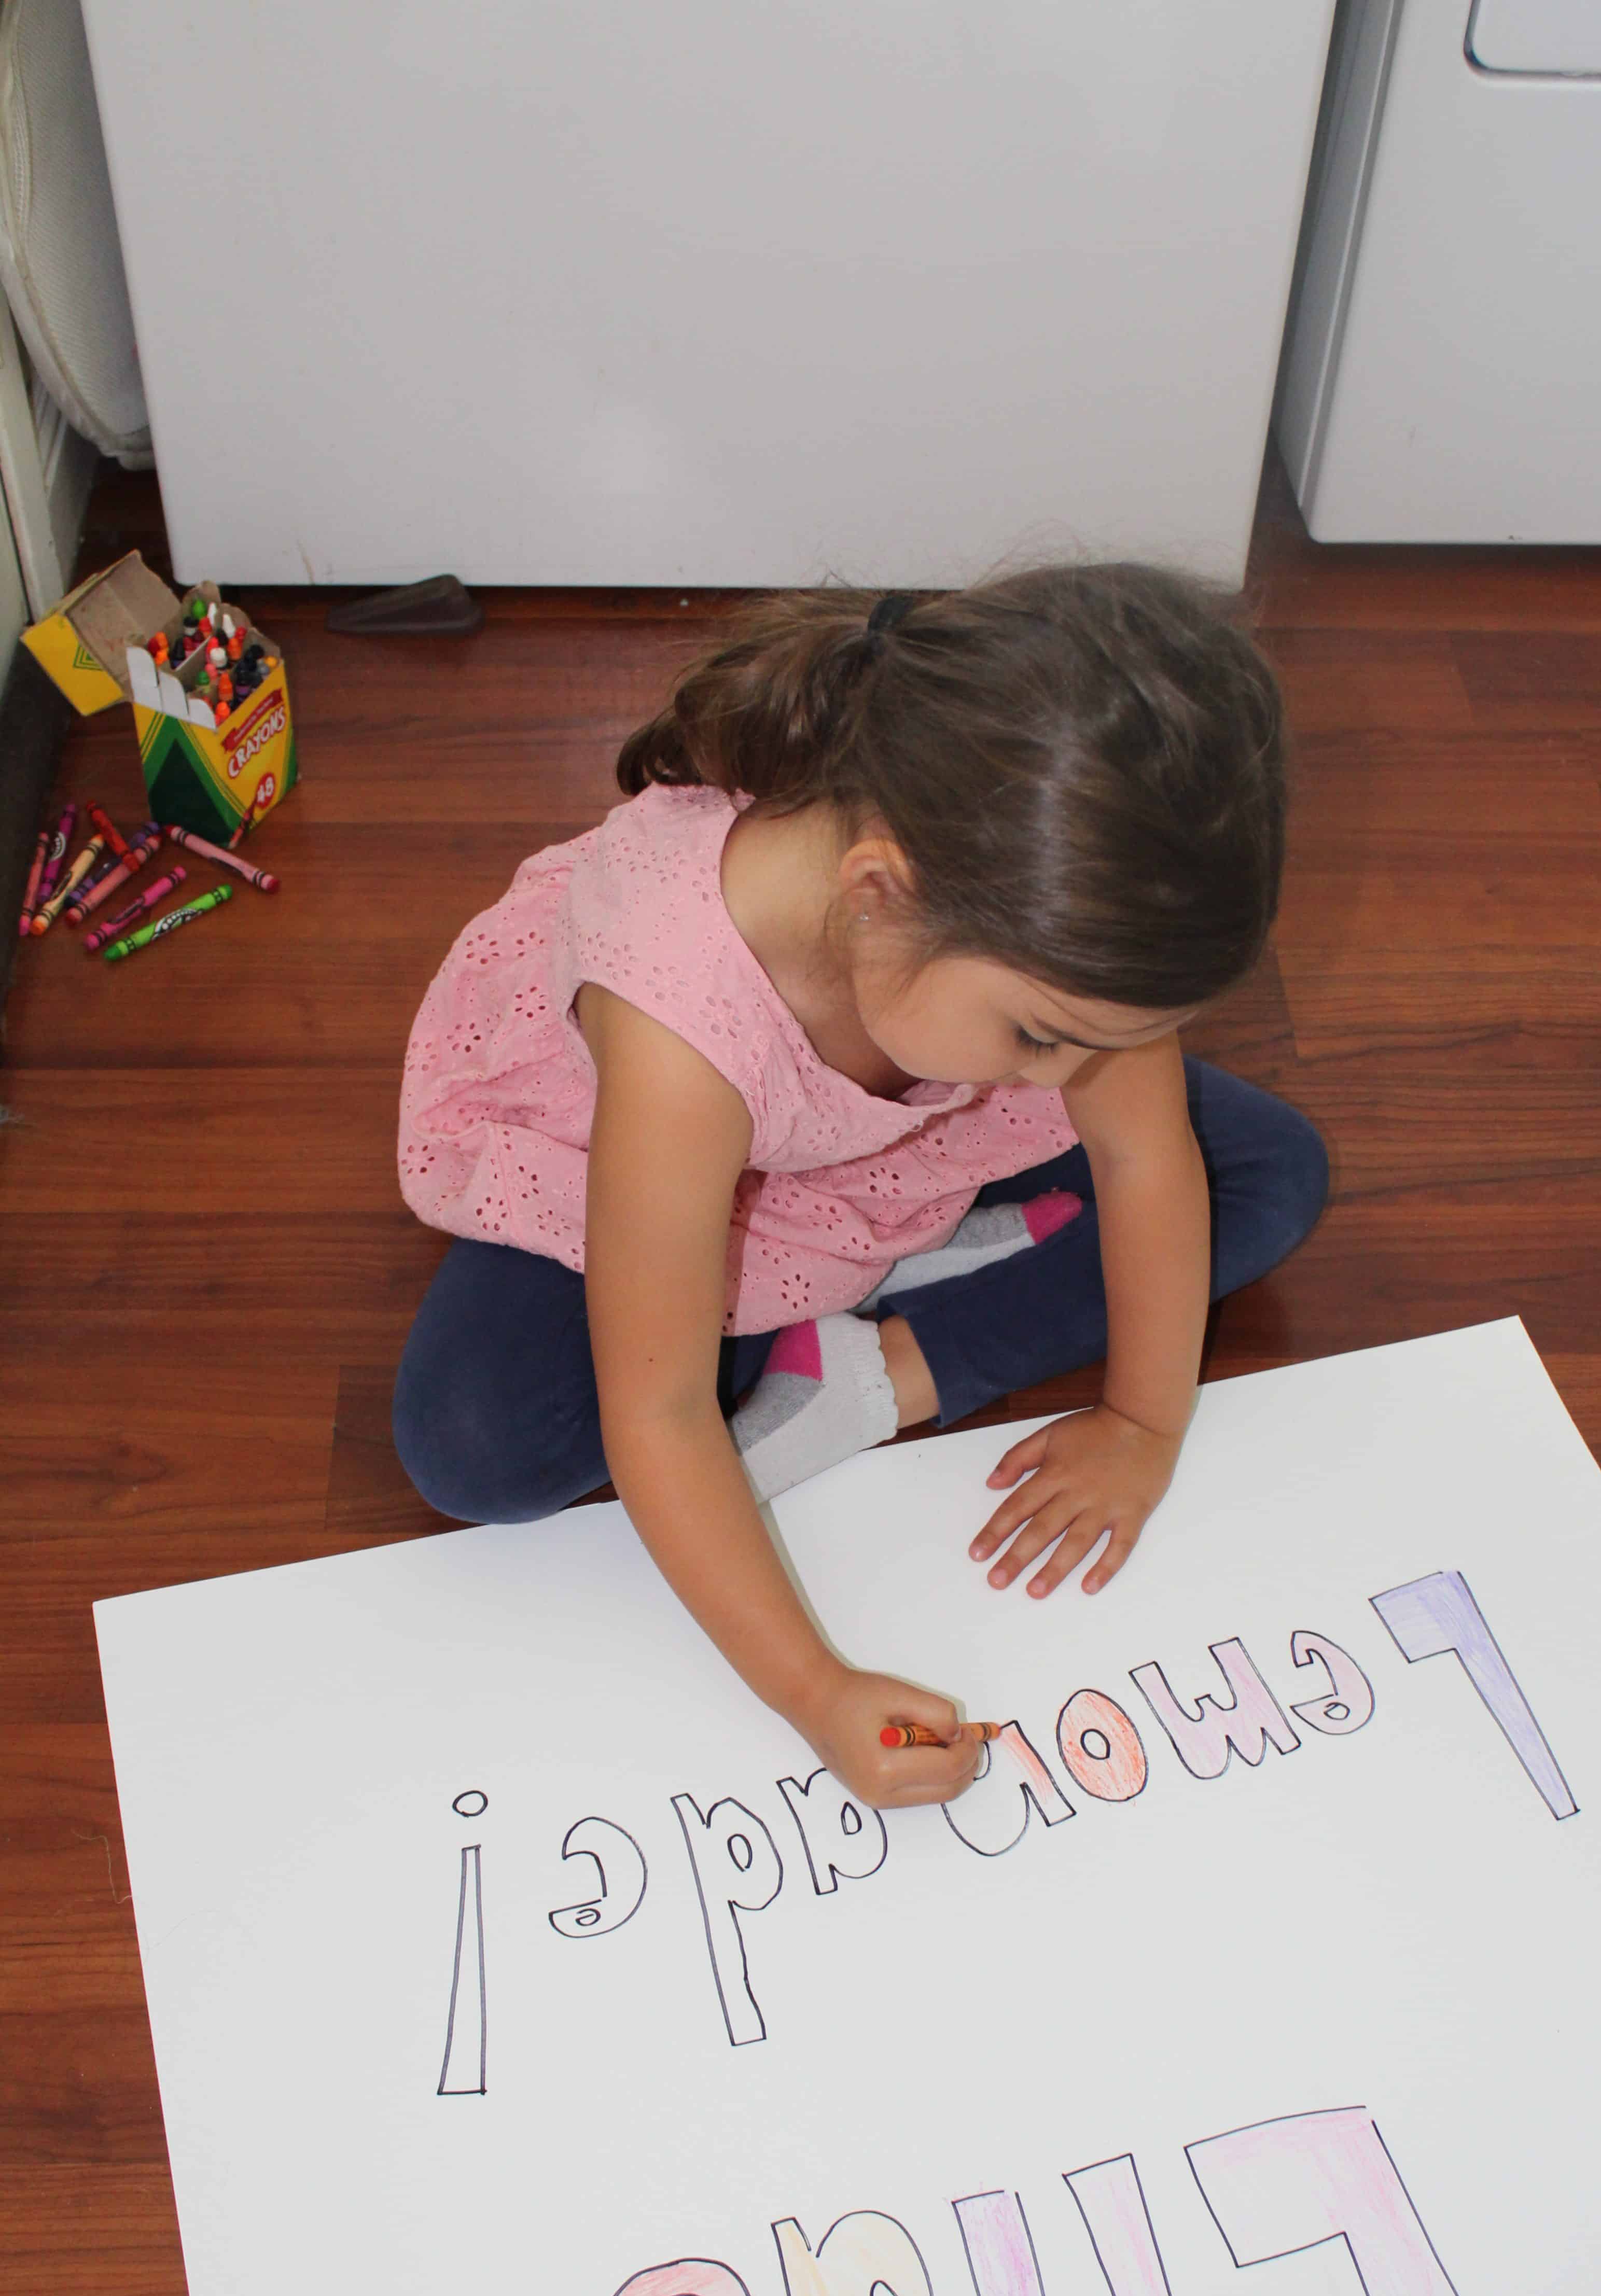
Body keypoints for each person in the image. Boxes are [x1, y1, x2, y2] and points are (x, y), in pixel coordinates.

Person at [393, 565, 1327, 1810]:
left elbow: (1146, 1155)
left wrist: (1145, 1426)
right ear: (878, 893)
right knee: (477, 1450)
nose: (1097, 1075)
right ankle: (864, 1280)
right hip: (631, 1156)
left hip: (908, 1102)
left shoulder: (1024, 936)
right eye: (1054, 1037)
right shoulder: (677, 1022)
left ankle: (881, 1366)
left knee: (1270, 1173)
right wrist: (816, 1692)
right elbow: (661, 1413)